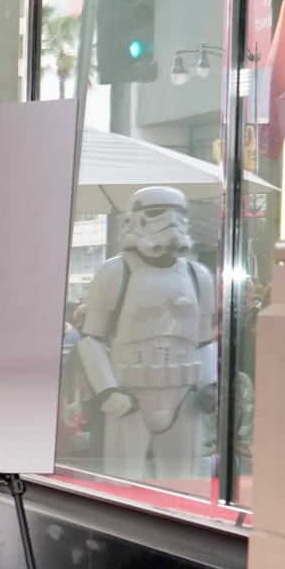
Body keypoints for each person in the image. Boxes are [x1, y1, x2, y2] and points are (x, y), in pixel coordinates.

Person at [76, 186, 217, 482]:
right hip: (130, 394)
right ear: (135, 219)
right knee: (121, 483)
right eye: (156, 213)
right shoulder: (116, 272)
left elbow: (204, 340)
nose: (170, 223)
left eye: (179, 214)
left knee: (183, 484)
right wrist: (108, 390)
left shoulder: (198, 275)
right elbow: (91, 339)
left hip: (185, 396)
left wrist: (210, 385)